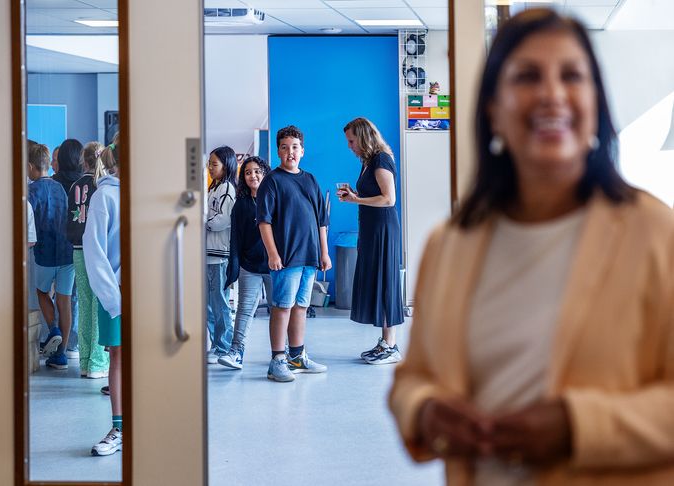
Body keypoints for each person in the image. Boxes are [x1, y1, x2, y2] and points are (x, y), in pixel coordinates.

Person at [389, 9, 674, 485]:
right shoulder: (450, 244)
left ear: (596, 106)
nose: (551, 95)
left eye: (572, 76)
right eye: (526, 77)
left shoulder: (655, 235)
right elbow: (412, 378)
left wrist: (578, 427)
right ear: (492, 109)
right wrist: (424, 411)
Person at [256, 125, 331, 382]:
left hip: (309, 256)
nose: (290, 152)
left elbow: (322, 220)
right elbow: (264, 222)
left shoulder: (310, 180)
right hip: (286, 257)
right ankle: (277, 360)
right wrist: (272, 254)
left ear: (303, 151)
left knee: (301, 306)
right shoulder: (272, 182)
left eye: (295, 147)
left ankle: (296, 356)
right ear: (278, 151)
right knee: (282, 307)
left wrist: (324, 252)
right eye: (285, 147)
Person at [339, 117, 404, 365]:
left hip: (383, 230)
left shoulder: (380, 160)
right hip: (371, 228)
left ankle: (391, 345)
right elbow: (374, 194)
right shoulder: (367, 162)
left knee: (386, 280)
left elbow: (389, 199)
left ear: (364, 137)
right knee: (377, 279)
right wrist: (355, 196)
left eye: (352, 140)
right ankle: (385, 342)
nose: (349, 146)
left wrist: (355, 200)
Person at [83, 139, 122, 456]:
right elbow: (95, 254)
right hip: (117, 297)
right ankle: (119, 427)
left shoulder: (146, 195)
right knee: (119, 359)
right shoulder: (104, 196)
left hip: (150, 297)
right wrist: (114, 300)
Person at [218, 156, 273, 370]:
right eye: (248, 172)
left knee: (279, 309)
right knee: (244, 309)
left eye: (257, 171)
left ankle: (283, 351)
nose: (253, 175)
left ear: (265, 173)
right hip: (250, 266)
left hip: (275, 266)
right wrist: (235, 265)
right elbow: (236, 239)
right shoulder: (241, 205)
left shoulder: (274, 200)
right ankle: (236, 351)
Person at [27, 143, 74, 370]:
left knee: (42, 292)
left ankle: (53, 329)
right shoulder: (60, 188)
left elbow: (27, 224)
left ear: (30, 166)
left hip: (45, 253)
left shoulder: (31, 191)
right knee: (64, 302)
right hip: (66, 252)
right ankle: (61, 354)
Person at [68, 141, 110, 379]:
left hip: (77, 249)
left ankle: (84, 361)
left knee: (83, 304)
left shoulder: (75, 185)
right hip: (96, 250)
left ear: (83, 161)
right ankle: (97, 362)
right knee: (99, 305)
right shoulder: (101, 186)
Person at [205, 146, 237, 364]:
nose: (210, 167)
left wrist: (202, 221)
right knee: (209, 304)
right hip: (207, 255)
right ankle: (216, 344)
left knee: (220, 303)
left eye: (214, 164)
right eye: (210, 163)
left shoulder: (227, 190)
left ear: (226, 166)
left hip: (220, 256)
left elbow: (220, 221)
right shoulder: (213, 189)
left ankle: (225, 346)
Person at [53, 138, 84, 356]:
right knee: (75, 296)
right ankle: (72, 342)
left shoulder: (53, 182)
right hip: (78, 245)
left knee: (57, 296)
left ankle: (57, 342)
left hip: (54, 245)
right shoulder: (85, 183)